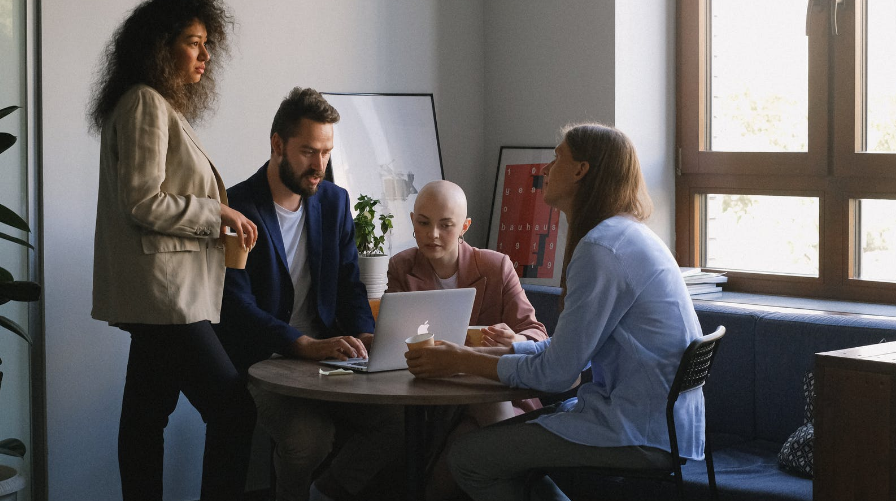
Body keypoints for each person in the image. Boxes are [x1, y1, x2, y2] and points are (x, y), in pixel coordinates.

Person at [405, 124, 705, 501]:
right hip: (666, 425)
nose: (546, 169)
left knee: (466, 458)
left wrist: (461, 360)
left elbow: (560, 374)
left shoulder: (601, 250)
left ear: (581, 170)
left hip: (636, 430)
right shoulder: (627, 234)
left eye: (557, 157)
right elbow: (564, 353)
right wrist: (496, 352)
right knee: (477, 444)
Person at [88, 1, 258, 500]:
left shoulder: (153, 103)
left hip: (161, 297)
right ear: (160, 47)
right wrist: (218, 214)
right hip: (166, 298)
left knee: (145, 417)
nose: (205, 56)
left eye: (208, 44)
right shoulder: (145, 103)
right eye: (193, 43)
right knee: (233, 408)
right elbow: (143, 201)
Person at [213, 87, 404, 501]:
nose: (319, 165)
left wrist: (367, 336)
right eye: (308, 151)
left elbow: (351, 287)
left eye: (326, 152)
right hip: (266, 358)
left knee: (394, 421)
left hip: (328, 356)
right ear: (277, 145)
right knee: (308, 439)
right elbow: (234, 306)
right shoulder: (236, 205)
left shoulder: (334, 202)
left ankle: (323, 494)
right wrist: (302, 344)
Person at [387, 180, 548, 499]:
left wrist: (514, 337)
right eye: (423, 223)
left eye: (445, 225)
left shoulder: (496, 266)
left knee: (465, 439)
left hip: (496, 397)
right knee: (463, 438)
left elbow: (537, 334)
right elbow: (393, 339)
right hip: (436, 401)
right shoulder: (402, 267)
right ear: (412, 221)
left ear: (464, 226)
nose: (433, 234)